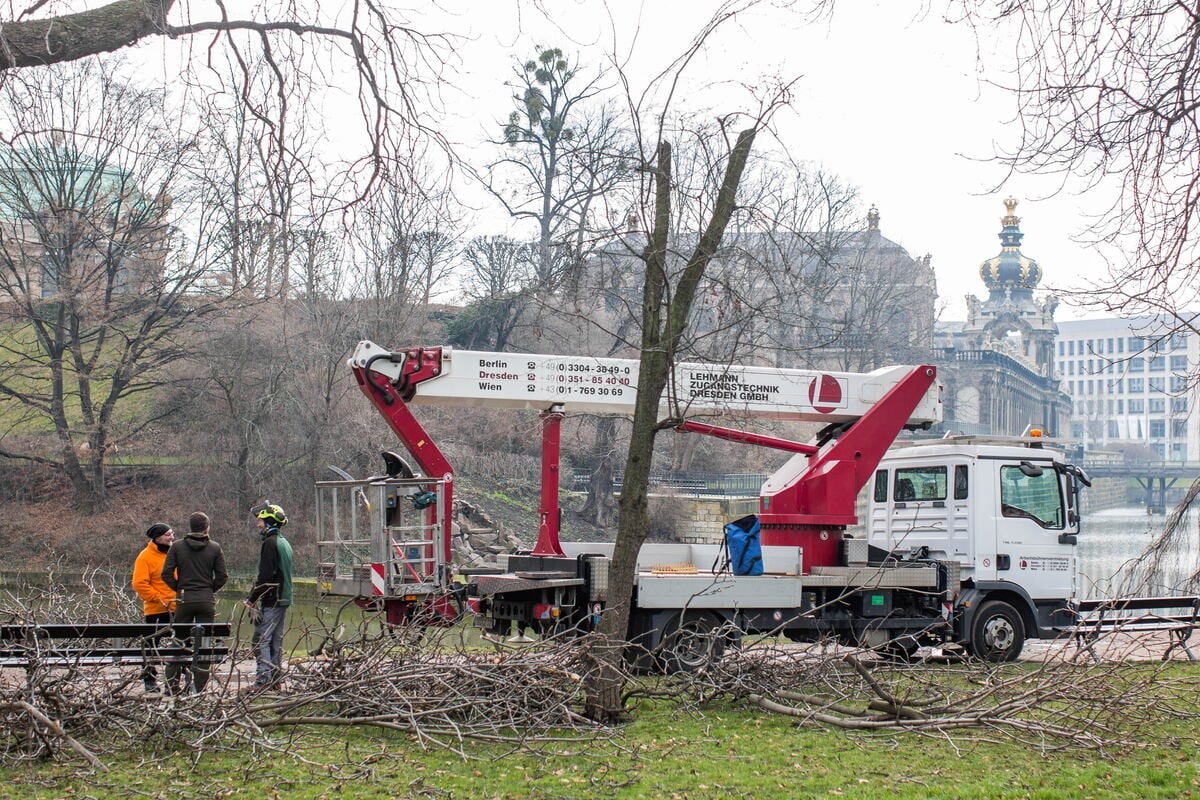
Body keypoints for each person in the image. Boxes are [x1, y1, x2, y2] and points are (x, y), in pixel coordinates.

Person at [161, 511, 228, 694]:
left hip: (184, 598)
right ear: (207, 528)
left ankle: (171, 684)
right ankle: (199, 686)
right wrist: (209, 590)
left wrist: (179, 588)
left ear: (190, 527)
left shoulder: (177, 547)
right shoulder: (215, 548)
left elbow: (165, 573)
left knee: (179, 640)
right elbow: (222, 576)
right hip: (206, 600)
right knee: (204, 643)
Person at [245, 502, 293, 691]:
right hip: (283, 598)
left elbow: (265, 577)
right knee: (276, 640)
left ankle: (263, 680)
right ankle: (275, 680)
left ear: (270, 522)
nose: (258, 524)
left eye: (261, 521)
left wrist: (252, 598)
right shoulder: (284, 542)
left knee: (262, 639)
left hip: (272, 598)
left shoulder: (270, 543)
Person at [131, 522, 176, 693]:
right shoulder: (145, 557)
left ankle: (174, 680)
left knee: (182, 644)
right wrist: (158, 599)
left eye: (172, 533)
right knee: (150, 646)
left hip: (177, 607)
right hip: (156, 610)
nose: (172, 537)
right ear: (157, 538)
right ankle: (149, 680)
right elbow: (139, 583)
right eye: (168, 534)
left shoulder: (174, 554)